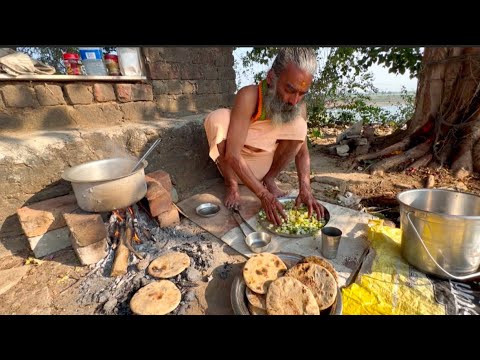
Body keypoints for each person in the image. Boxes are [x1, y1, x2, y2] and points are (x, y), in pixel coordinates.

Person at [203, 47, 326, 226]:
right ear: (271, 77)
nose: (294, 100)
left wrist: (306, 189)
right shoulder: (249, 95)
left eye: (302, 93)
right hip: (236, 168)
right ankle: (232, 186)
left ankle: (269, 179)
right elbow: (232, 155)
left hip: (265, 165)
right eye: (289, 89)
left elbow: (302, 153)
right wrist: (263, 195)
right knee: (217, 119)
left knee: (300, 125)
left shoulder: (298, 105)